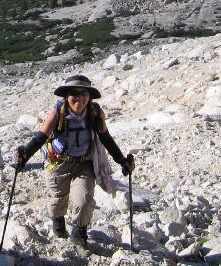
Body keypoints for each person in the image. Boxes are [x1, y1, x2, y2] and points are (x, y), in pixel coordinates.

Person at [15, 74, 135, 253]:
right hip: (58, 163)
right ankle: (59, 229)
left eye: (83, 93)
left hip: (84, 164)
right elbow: (41, 137)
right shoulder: (58, 112)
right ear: (66, 96)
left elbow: (106, 138)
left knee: (84, 200)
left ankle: (79, 238)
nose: (79, 98)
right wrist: (25, 154)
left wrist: (122, 161)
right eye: (74, 94)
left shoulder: (95, 113)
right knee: (57, 201)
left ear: (89, 96)